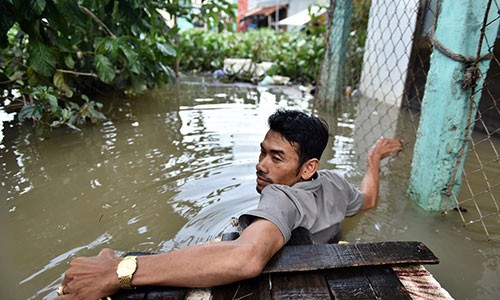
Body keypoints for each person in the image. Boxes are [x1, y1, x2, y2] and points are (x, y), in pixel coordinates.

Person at [57, 109, 403, 299]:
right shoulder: (335, 183)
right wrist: (374, 159)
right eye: (262, 152)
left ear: (307, 167)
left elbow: (246, 258)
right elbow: (370, 199)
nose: (260, 165)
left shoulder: (280, 197)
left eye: (276, 158)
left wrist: (120, 271)